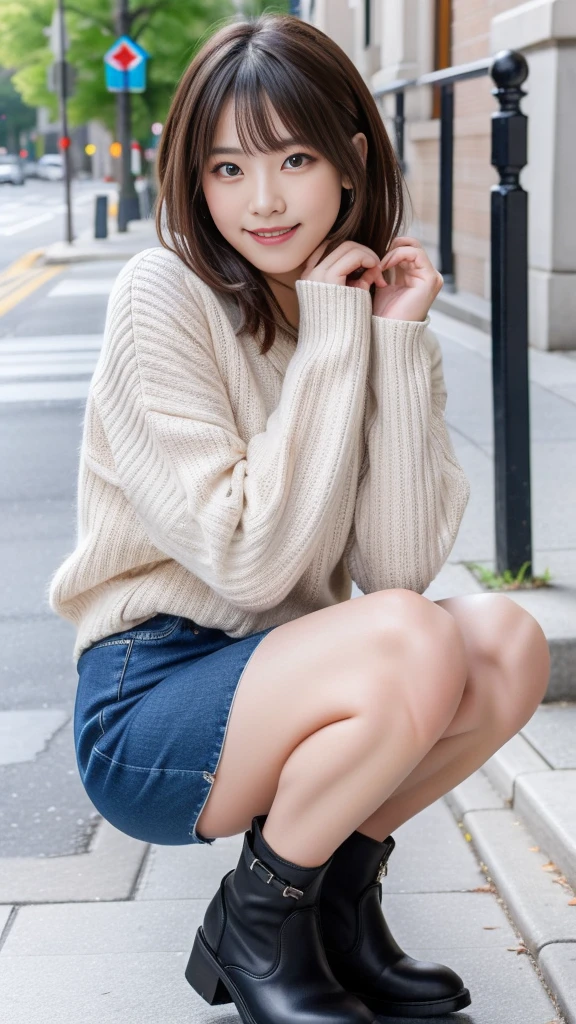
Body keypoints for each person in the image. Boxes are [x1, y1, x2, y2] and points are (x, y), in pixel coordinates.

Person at [47, 13, 550, 1024]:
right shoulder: (165, 295)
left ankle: (331, 911)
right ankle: (258, 924)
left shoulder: (355, 304)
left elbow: (396, 564)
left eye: (295, 156)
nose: (264, 199)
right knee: (414, 637)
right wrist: (333, 341)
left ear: (353, 159)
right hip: (151, 700)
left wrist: (394, 347)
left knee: (502, 640)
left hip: (284, 670)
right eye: (228, 168)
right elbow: (248, 559)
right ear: (193, 177)